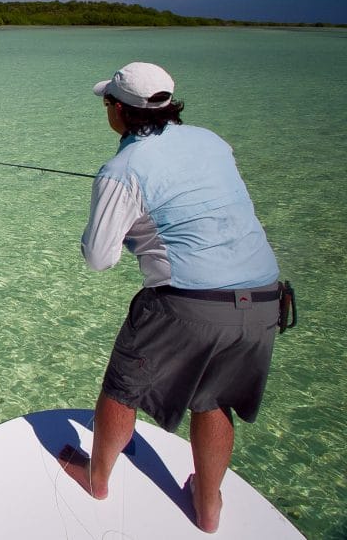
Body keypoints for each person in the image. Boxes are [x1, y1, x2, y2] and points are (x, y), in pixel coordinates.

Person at [58, 62, 281, 534]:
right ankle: (208, 507)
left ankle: (95, 478)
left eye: (106, 103)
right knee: (214, 398)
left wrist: (111, 229)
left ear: (118, 109)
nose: (106, 110)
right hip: (264, 299)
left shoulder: (121, 170)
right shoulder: (213, 141)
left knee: (123, 387)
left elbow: (99, 259)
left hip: (189, 304)